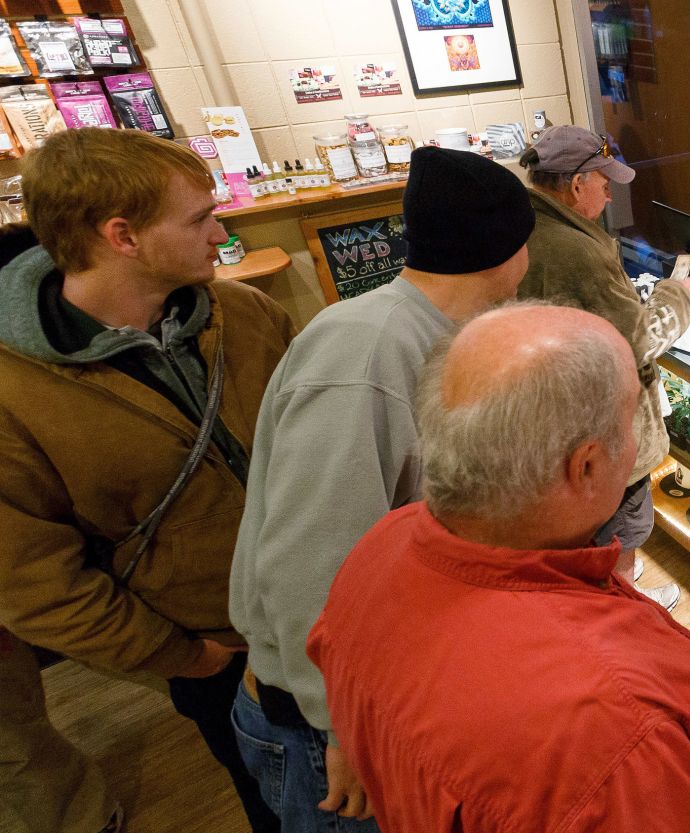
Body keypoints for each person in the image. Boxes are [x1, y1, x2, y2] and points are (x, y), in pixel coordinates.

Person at [306, 304, 690, 832]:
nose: (639, 439)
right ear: (588, 466)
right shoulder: (615, 731)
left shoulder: (378, 546)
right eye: (631, 420)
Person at [229, 147, 534, 831]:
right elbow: (313, 557)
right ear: (507, 247)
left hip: (376, 700)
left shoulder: (433, 334)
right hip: (324, 732)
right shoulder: (367, 351)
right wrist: (342, 725)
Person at [0, 128, 294, 833]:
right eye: (198, 218)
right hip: (215, 649)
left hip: (322, 610)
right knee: (277, 799)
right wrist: (190, 656)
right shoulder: (13, 391)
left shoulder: (246, 314)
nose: (221, 232)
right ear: (121, 236)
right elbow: (35, 584)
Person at [517, 124, 690, 610]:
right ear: (577, 185)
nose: (608, 189)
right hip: (605, 423)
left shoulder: (525, 228)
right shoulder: (578, 251)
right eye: (603, 180)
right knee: (624, 520)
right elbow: (636, 344)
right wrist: (677, 300)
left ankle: (611, 590)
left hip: (557, 420)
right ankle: (625, 603)